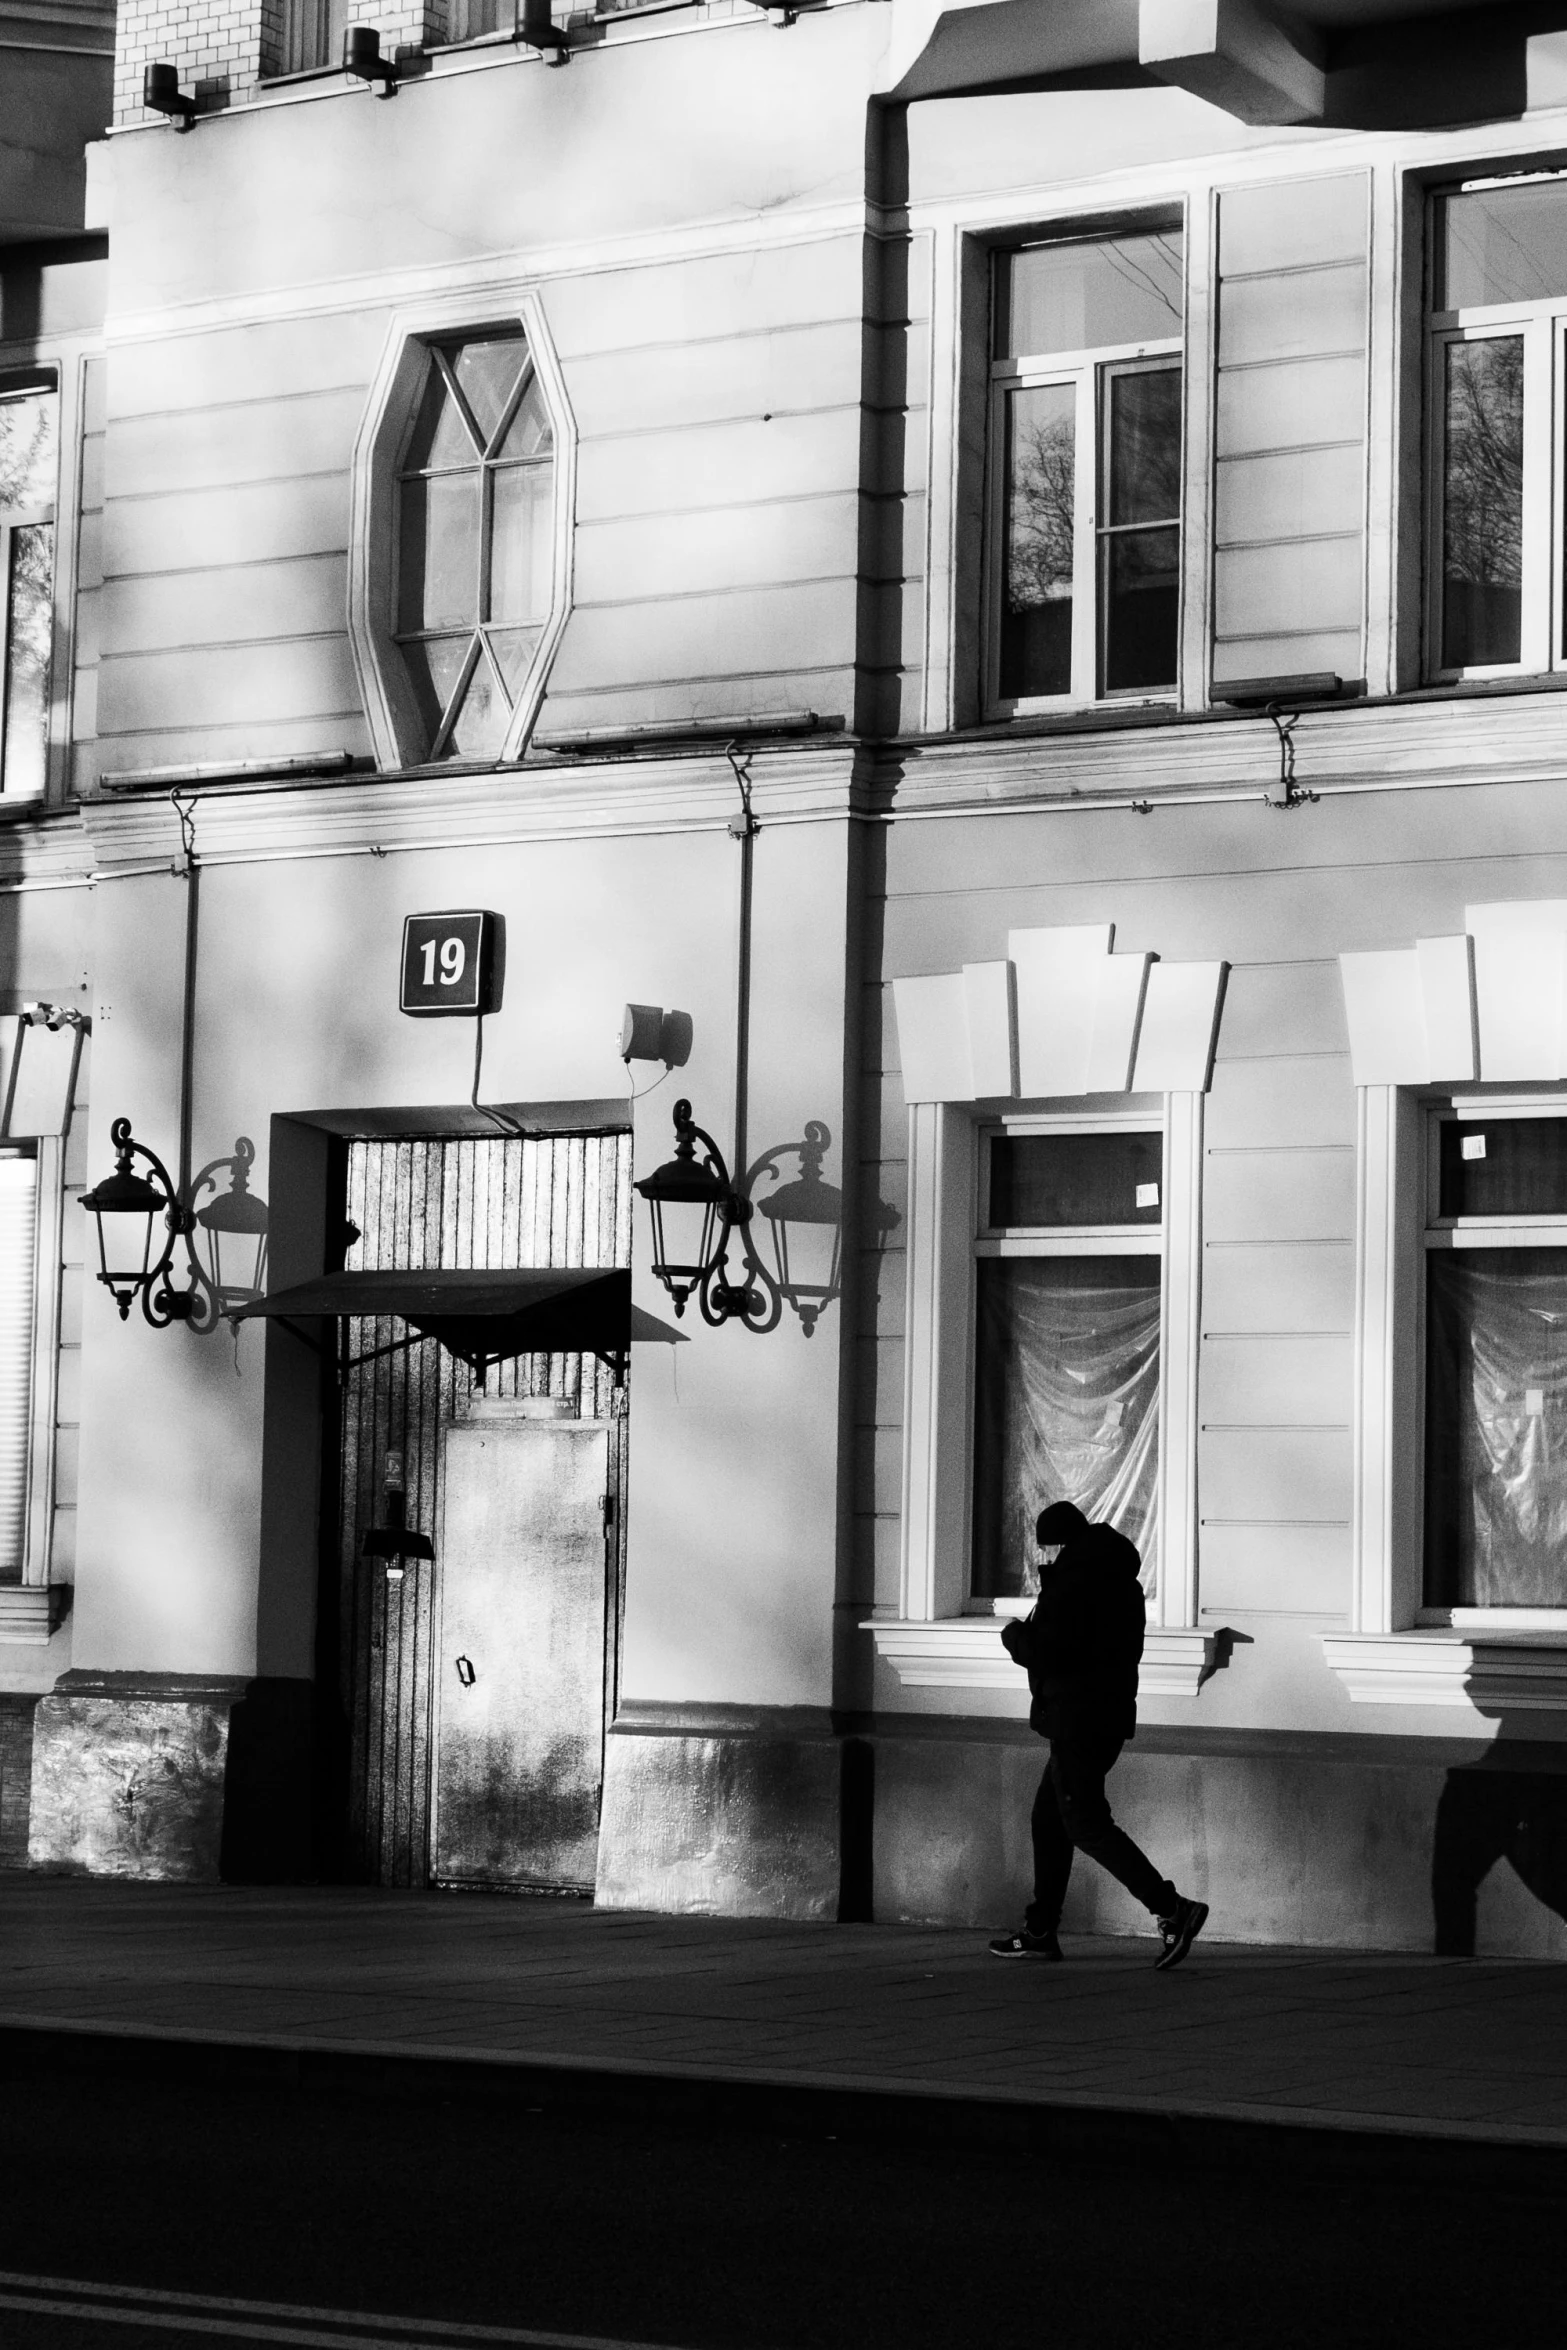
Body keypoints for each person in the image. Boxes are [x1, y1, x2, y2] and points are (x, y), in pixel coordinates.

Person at [989, 1500, 1209, 1971]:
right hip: (1103, 1717)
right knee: (1050, 1820)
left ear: (1060, 1544)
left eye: (1048, 1548)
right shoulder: (1119, 1581)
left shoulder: (1074, 1585)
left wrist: (1013, 1637)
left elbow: (1050, 1653)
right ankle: (1041, 1930)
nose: (1046, 1558)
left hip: (1077, 1720)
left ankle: (1172, 1909)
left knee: (1085, 1822)